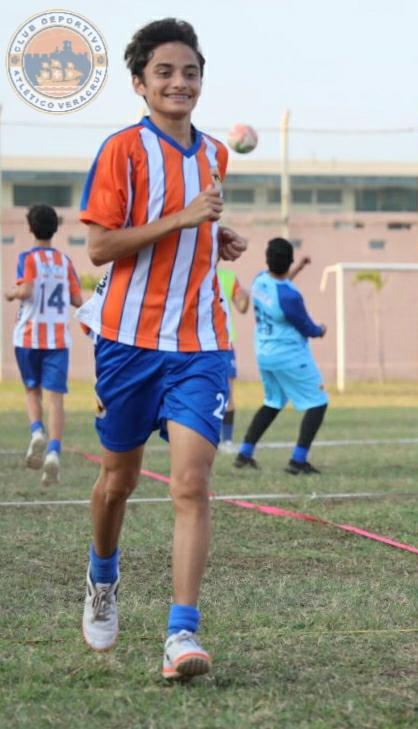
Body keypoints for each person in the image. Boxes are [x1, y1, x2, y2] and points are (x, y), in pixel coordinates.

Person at [77, 18, 248, 679]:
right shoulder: (122, 150)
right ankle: (102, 577)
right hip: (126, 343)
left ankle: (182, 634)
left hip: (201, 344)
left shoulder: (214, 154)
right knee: (117, 482)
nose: (181, 82)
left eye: (191, 72)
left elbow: (192, 223)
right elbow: (100, 246)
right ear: (140, 83)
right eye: (166, 72)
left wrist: (217, 236)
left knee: (191, 485)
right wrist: (183, 221)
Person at [234, 238, 328, 474]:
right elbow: (306, 326)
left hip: (264, 353)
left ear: (267, 261)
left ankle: (244, 453)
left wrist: (299, 268)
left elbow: (281, 286)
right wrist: (321, 330)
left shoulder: (259, 280)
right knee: (318, 402)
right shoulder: (289, 297)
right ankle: (298, 461)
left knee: (273, 402)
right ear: (289, 261)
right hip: (289, 355)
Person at [5, 204, 83, 486]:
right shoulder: (65, 262)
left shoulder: (27, 258)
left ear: (29, 228)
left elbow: (25, 290)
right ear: (56, 229)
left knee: (31, 391)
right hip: (57, 339)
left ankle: (37, 431)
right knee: (56, 398)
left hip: (27, 337)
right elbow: (76, 300)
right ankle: (53, 452)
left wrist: (12, 293)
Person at [216, 267, 249, 454]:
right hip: (199, 344)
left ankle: (227, 441)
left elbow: (242, 308)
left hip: (225, 344)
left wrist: (245, 297)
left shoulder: (228, 277)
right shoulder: (192, 270)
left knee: (228, 394)